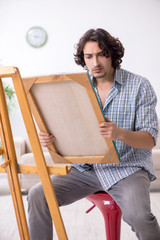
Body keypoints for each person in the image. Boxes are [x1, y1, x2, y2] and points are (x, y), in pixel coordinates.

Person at [27, 28, 160, 240]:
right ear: (83, 59)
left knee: (140, 217)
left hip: (127, 169)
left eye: (101, 54)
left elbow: (149, 140)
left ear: (113, 55)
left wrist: (120, 133)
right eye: (89, 57)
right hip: (86, 170)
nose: (95, 62)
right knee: (37, 195)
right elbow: (68, 129)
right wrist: (50, 139)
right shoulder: (75, 86)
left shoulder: (139, 86)